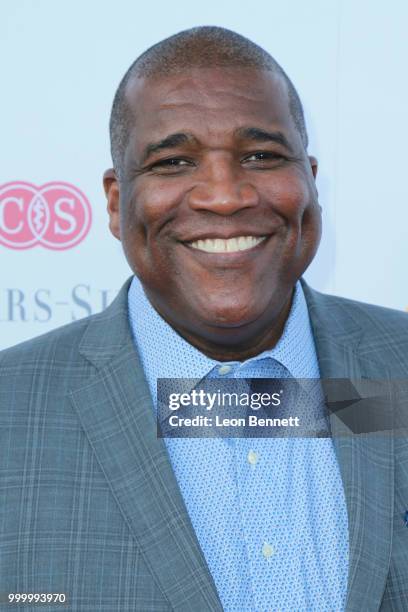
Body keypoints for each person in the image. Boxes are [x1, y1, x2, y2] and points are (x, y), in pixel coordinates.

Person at [1, 26, 407, 612]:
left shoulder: (397, 371)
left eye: (262, 156)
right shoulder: (13, 408)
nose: (224, 196)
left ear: (311, 184)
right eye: (174, 161)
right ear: (117, 203)